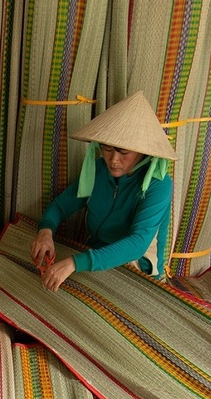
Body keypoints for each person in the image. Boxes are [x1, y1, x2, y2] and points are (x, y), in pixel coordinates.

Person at [30, 90, 177, 292]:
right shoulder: (98, 170)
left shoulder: (158, 185)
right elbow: (61, 206)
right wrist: (45, 231)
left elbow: (137, 244)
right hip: (94, 255)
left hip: (138, 270)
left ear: (143, 151)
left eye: (123, 152)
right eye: (107, 149)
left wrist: (73, 263)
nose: (113, 160)